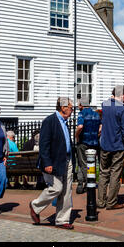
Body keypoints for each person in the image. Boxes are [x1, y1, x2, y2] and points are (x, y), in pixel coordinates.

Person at [29, 97, 75, 230]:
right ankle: (35, 206)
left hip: (67, 160)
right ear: (63, 108)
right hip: (53, 162)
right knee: (57, 188)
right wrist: (47, 162)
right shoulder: (50, 121)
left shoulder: (65, 122)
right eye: (71, 108)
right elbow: (44, 144)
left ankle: (62, 219)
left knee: (66, 191)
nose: (72, 110)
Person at [98, 85, 124, 210]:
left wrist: (112, 97)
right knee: (115, 175)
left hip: (104, 145)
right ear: (122, 95)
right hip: (117, 146)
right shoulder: (123, 109)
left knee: (103, 173)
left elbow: (106, 102)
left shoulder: (105, 105)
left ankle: (100, 201)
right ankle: (111, 202)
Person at [74, 97, 101, 194]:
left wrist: (76, 135)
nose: (77, 106)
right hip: (94, 143)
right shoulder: (96, 114)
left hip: (83, 142)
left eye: (78, 104)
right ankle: (82, 184)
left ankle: (90, 182)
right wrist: (96, 135)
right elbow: (101, 127)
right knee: (91, 163)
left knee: (82, 163)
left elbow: (80, 126)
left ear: (81, 105)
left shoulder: (81, 113)